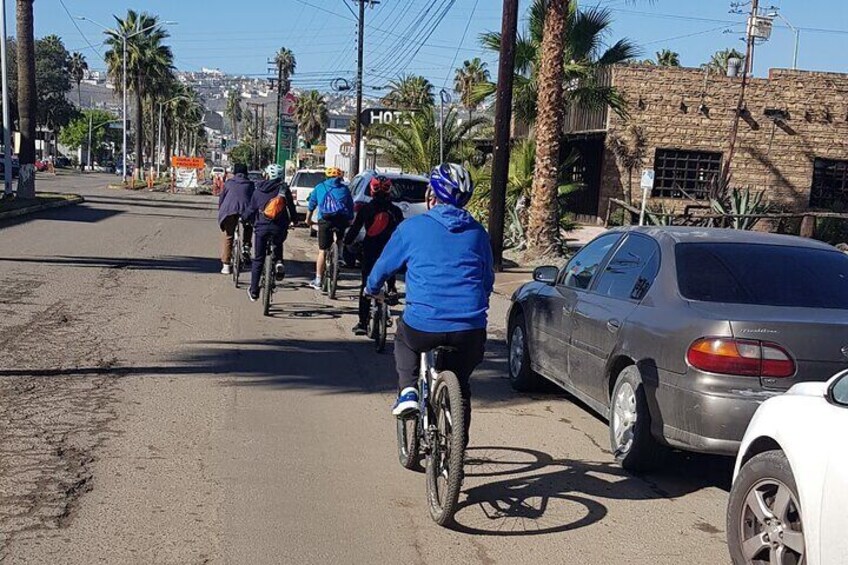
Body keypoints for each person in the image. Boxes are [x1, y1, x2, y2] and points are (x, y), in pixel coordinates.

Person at [366, 163, 493, 432]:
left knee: (403, 337)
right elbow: (487, 280)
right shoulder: (479, 233)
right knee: (462, 385)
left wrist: (371, 289)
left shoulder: (412, 228)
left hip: (423, 325)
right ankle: (456, 450)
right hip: (469, 330)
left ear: (430, 195)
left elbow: (382, 268)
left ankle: (409, 391)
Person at [344, 175, 404, 336]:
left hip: (370, 251)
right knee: (390, 274)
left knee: (366, 286)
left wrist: (347, 242)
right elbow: (403, 234)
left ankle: (363, 323)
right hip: (390, 252)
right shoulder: (395, 211)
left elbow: (355, 230)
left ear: (372, 190)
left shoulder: (366, 209)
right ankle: (391, 290)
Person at [243, 163, 298, 302]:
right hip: (279, 227)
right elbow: (291, 208)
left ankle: (254, 291)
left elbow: (251, 209)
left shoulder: (258, 190)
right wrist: (295, 221)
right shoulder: (283, 190)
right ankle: (279, 262)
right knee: (278, 241)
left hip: (261, 227)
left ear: (266, 175)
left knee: (258, 259)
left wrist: (245, 219)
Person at [305, 167, 354, 290]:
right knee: (340, 239)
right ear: (340, 177)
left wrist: (308, 220)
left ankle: (318, 280)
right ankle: (340, 256)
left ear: (326, 177)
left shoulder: (320, 187)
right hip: (341, 220)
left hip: (325, 220)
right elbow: (350, 206)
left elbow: (311, 205)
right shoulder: (344, 189)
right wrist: (349, 220)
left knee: (322, 250)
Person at [218, 163, 254, 274]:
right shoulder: (250, 184)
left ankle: (226, 265)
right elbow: (254, 200)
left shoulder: (229, 183)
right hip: (245, 211)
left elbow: (221, 199)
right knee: (248, 226)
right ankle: (246, 247)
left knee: (229, 236)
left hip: (229, 211)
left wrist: (221, 210)